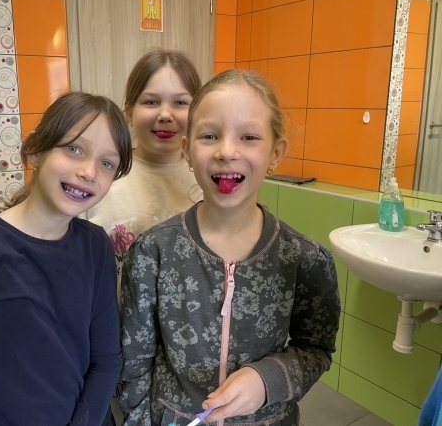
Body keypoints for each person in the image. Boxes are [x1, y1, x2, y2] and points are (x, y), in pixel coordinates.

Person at [119, 69, 341, 426]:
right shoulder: (152, 253)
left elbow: (317, 348)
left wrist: (268, 380)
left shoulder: (306, 260)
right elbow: (135, 360)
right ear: (187, 150)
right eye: (209, 136)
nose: (226, 151)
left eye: (249, 137)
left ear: (275, 153)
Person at [0, 91, 133, 426]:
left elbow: (106, 360)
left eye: (106, 163)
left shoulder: (96, 245)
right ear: (35, 151)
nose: (89, 171)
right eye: (74, 149)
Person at [85, 49, 202, 426]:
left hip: (192, 353)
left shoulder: (209, 180)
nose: (165, 114)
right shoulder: (104, 178)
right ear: (129, 111)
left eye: (180, 102)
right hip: (119, 351)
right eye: (151, 101)